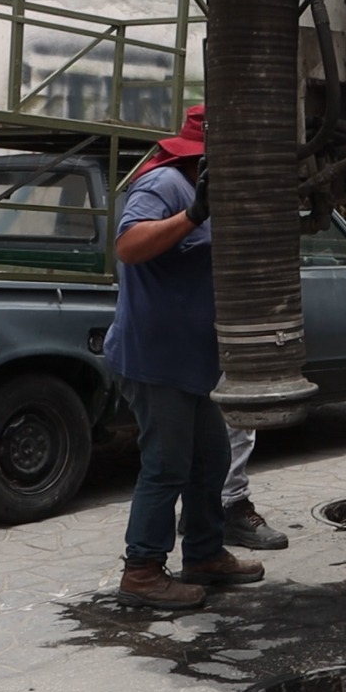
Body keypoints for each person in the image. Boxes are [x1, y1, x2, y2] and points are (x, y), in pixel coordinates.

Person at [104, 104, 286, 611]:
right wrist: (193, 215)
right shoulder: (164, 185)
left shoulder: (209, 191)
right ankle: (141, 571)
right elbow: (129, 246)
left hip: (191, 361)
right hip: (155, 358)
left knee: (212, 458)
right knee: (166, 466)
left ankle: (204, 555)